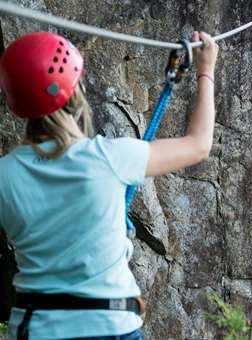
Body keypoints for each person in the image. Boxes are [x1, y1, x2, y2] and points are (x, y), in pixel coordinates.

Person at [0, 31, 218, 339]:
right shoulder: (110, 157)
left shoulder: (4, 176)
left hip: (36, 329)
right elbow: (198, 145)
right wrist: (205, 71)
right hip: (110, 326)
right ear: (77, 93)